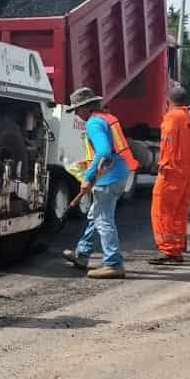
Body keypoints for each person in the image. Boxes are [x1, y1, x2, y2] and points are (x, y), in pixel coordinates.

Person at [60, 87, 135, 279]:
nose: (76, 114)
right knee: (95, 215)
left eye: (77, 109)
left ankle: (113, 264)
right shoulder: (107, 118)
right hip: (119, 173)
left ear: (86, 107)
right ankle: (82, 254)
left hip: (108, 178)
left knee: (103, 219)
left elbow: (103, 152)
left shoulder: (94, 123)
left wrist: (87, 178)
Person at [150, 86, 190, 265]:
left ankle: (169, 251)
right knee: (178, 213)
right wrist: (187, 158)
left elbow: (167, 142)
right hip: (186, 174)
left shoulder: (172, 118)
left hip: (170, 172)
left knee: (162, 212)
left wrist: (165, 164)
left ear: (168, 101)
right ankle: (177, 246)